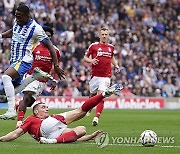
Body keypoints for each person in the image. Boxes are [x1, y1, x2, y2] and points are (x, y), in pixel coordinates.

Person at [0, 5, 65, 119]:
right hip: (15, 60)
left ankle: (11, 111)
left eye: (19, 16)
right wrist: (1, 36)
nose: (17, 18)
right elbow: (13, 31)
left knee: (6, 77)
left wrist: (56, 66)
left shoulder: (36, 28)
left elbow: (50, 47)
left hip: (24, 60)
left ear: (27, 16)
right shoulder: (18, 22)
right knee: (13, 91)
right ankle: (34, 77)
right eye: (16, 16)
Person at [0, 83, 123, 143]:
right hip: (45, 128)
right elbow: (16, 133)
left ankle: (52, 142)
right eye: (43, 107)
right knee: (80, 111)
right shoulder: (32, 119)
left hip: (50, 136)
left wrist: (90, 137)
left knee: (82, 129)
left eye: (46, 107)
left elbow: (73, 139)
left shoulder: (50, 125)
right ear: (36, 112)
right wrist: (1, 139)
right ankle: (103, 94)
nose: (46, 109)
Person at [14, 26, 61, 128]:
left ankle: (18, 103)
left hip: (43, 81)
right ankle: (19, 122)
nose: (46, 38)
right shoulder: (34, 47)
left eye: (49, 36)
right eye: (45, 36)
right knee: (27, 97)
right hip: (32, 76)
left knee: (29, 103)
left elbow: (56, 67)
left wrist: (54, 80)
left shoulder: (55, 51)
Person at [83, 26, 120, 126]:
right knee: (92, 96)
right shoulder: (93, 46)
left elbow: (112, 57)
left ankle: (96, 117)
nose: (104, 36)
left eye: (106, 35)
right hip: (95, 76)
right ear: (99, 35)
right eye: (102, 34)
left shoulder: (111, 47)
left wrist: (116, 65)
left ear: (108, 36)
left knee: (101, 96)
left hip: (106, 76)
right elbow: (85, 58)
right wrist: (91, 60)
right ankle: (90, 107)